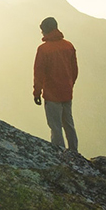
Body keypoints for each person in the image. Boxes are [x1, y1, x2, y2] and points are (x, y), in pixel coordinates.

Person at [32, 16, 78, 151]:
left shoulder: (44, 49)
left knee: (55, 127)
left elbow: (39, 73)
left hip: (52, 95)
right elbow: (74, 70)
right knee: (69, 124)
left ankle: (60, 155)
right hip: (67, 93)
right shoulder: (68, 46)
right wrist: (70, 85)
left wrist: (37, 92)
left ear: (46, 30)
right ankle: (74, 152)